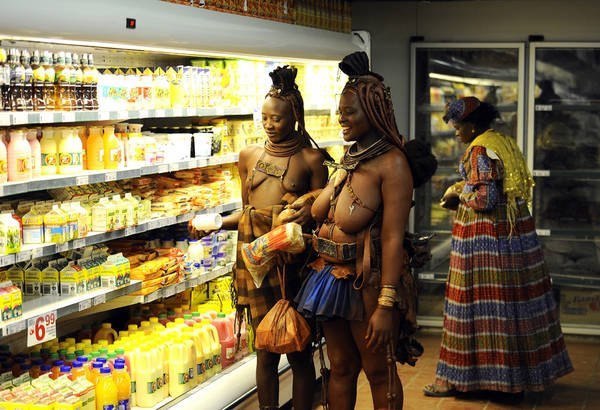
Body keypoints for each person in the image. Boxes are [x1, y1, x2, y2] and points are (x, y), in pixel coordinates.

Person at [190, 65, 328, 410]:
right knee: (264, 351)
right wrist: (217, 223)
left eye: (277, 119)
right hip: (255, 266)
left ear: (294, 118)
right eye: (264, 118)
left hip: (292, 269)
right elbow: (248, 213)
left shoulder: (311, 159)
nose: (269, 125)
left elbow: (319, 215)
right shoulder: (249, 156)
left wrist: (301, 221)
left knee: (298, 350)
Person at [424, 96, 574, 397]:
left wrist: (458, 191)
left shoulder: (479, 149)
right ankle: (514, 380)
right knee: (512, 306)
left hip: (484, 242)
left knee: (474, 306)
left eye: (458, 127)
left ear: (472, 125)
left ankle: (465, 379)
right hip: (513, 237)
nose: (455, 133)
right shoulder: (501, 141)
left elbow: (485, 200)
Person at [295, 51, 416, 410]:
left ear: (373, 113)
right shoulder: (351, 157)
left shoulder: (392, 164)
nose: (340, 118)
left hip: (369, 285)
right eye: (340, 110)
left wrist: (386, 303)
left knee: (379, 371)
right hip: (329, 277)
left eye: (349, 112)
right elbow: (324, 210)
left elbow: (393, 237)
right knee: (341, 367)